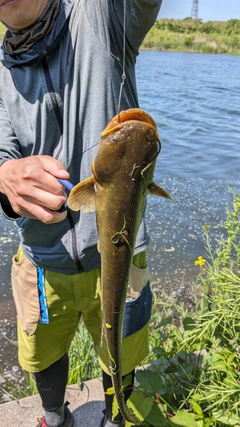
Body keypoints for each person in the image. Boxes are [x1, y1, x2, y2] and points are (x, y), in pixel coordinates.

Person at [0, 0, 162, 426]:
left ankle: (117, 416)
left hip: (121, 263)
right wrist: (5, 175)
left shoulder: (102, 15)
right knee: (42, 354)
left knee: (122, 346)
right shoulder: (0, 72)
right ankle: (55, 416)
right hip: (42, 261)